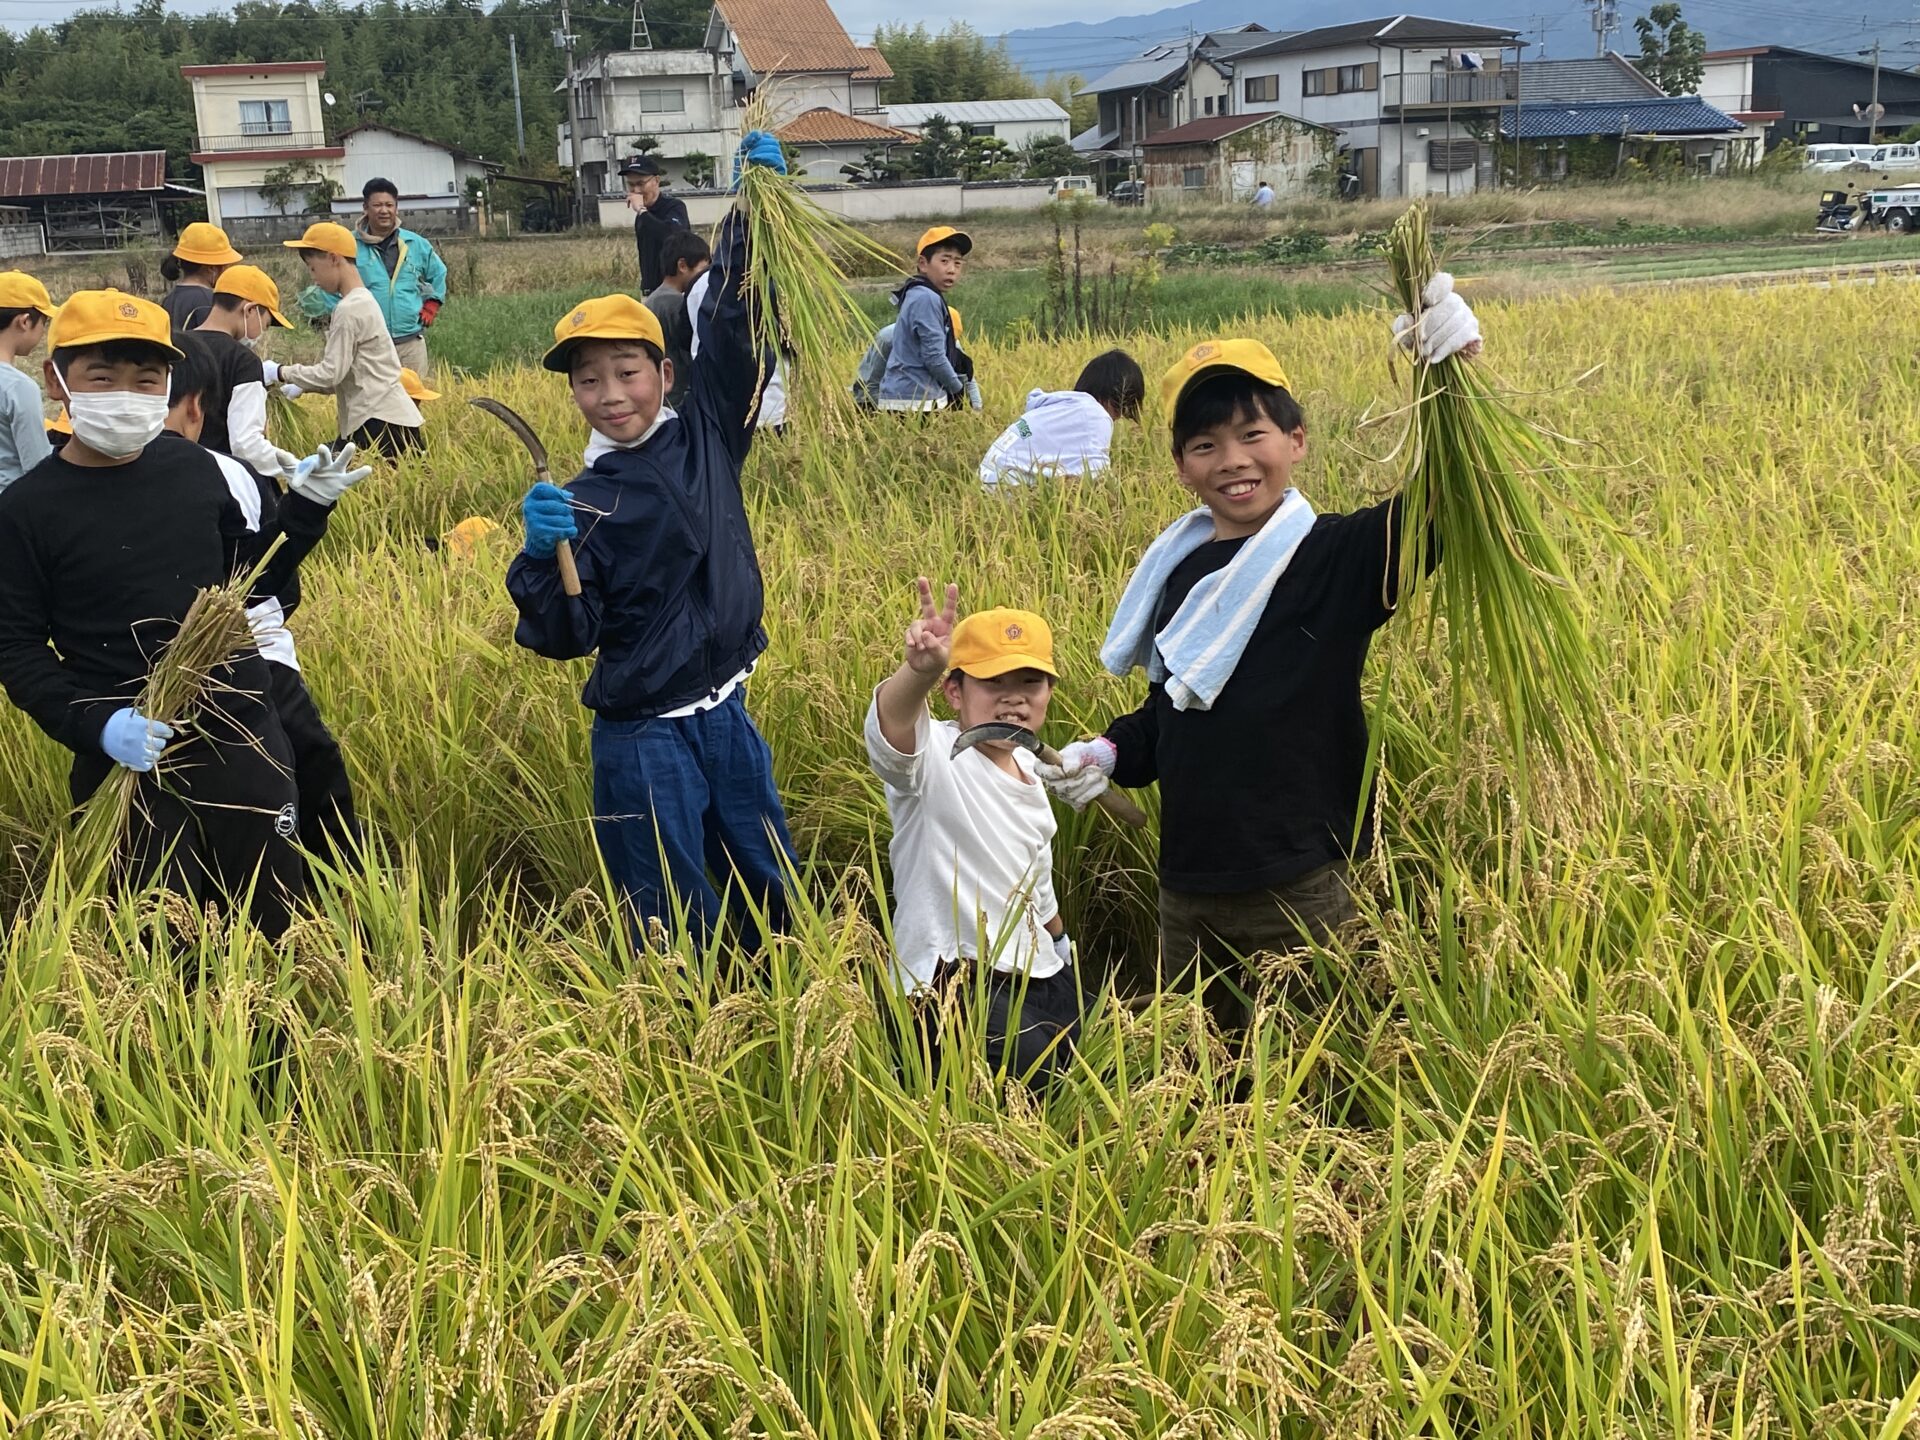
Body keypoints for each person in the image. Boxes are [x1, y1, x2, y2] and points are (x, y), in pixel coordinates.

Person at [1038, 289, 1483, 1036]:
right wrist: (1110, 750)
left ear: (1297, 440)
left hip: (1303, 882)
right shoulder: (1181, 573)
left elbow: (1443, 504)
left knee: (1319, 1071)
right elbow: (1171, 711)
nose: (1233, 461)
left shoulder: (1333, 557)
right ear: (1181, 465)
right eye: (1205, 445)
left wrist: (1455, 383)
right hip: (1189, 886)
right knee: (1199, 1072)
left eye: (1252, 434)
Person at [507, 130, 798, 949]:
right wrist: (539, 558)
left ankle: (786, 1013)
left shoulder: (709, 428)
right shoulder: (581, 505)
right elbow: (570, 636)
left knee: (770, 884)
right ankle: (681, 1042)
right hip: (642, 737)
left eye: (627, 372)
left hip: (726, 712)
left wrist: (753, 213)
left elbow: (736, 320)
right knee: (668, 914)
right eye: (587, 380)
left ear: (665, 374)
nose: (609, 395)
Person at [0, 291, 306, 935]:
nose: (127, 393)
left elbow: (250, 589)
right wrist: (99, 725)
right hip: (127, 749)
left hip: (239, 728)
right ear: (57, 381)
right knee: (155, 933)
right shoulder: (26, 511)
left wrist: (305, 518)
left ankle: (279, 1032)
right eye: (102, 377)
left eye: (148, 380)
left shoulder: (202, 472)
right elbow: (17, 649)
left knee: (275, 913)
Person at [164, 330, 373, 868]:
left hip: (250, 650)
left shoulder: (228, 476)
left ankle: (344, 883)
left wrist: (302, 509)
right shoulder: (70, 492)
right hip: (149, 675)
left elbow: (263, 579)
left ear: (193, 411)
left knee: (308, 755)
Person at [867, 580, 1080, 1082]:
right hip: (949, 985)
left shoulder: (1030, 773)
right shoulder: (936, 758)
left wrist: (1063, 948)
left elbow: (1037, 884)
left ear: (1048, 692)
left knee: (1074, 1077)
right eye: (993, 684)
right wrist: (917, 673)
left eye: (1030, 682)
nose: (1014, 699)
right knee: (1017, 1089)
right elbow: (891, 733)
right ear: (954, 691)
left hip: (1037, 974)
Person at [269, 221, 423, 458]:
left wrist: (280, 372)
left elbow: (331, 373)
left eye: (312, 268)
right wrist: (302, 385)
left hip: (380, 424)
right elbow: (344, 374)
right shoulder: (363, 300)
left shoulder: (349, 309)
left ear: (333, 258)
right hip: (389, 419)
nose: (313, 278)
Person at [308, 178, 449, 376]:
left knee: (413, 401)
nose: (384, 210)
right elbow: (330, 282)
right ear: (365, 208)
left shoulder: (415, 244)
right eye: (377, 205)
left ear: (397, 208)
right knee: (374, 402)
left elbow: (438, 273)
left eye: (389, 205)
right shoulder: (348, 245)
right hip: (369, 345)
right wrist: (342, 314)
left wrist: (432, 303)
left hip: (410, 342)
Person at [192, 264, 302, 481]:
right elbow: (246, 445)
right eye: (266, 324)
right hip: (223, 480)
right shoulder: (243, 361)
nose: (262, 332)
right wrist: (297, 467)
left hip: (174, 473)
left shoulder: (176, 347)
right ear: (250, 310)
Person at [978, 348, 1145, 488]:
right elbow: (1098, 478)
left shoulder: (1059, 406)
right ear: (1118, 396)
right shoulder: (1096, 415)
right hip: (1007, 489)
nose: (1119, 417)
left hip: (986, 480)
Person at [877, 226, 976, 412]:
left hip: (907, 397)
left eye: (957, 263)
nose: (952, 270)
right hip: (915, 402)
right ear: (923, 264)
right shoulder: (926, 298)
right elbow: (934, 357)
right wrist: (958, 390)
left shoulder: (917, 293)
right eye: (944, 261)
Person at [854, 306, 979, 411]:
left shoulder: (949, 341)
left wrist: (977, 409)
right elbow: (870, 385)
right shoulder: (889, 338)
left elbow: (967, 378)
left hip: (924, 398)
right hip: (878, 398)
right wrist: (890, 414)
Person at [644, 229, 711, 410]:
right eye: (702, 270)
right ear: (682, 266)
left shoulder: (653, 299)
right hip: (677, 396)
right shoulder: (675, 304)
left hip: (660, 394)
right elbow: (691, 351)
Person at [0, 270, 54, 492]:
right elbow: (37, 466)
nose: (44, 331)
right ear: (24, 322)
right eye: (44, 322)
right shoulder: (18, 388)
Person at [623, 153, 690, 296]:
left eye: (641, 183)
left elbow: (673, 237)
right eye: (630, 184)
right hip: (649, 292)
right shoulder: (643, 216)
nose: (636, 190)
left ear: (656, 181)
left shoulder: (674, 207)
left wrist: (642, 211)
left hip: (675, 293)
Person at [159, 223, 243, 330]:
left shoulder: (168, 300)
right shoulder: (210, 302)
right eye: (225, 266)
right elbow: (218, 342)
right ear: (211, 269)